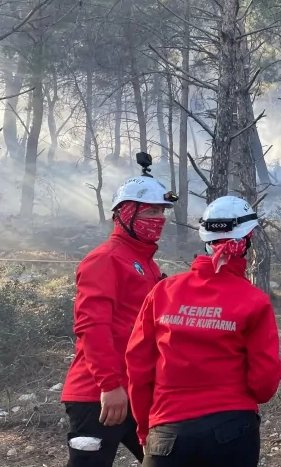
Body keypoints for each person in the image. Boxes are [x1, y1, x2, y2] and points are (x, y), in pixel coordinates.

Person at [125, 195, 281, 467]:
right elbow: (263, 385)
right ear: (248, 239)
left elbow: (138, 369)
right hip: (233, 430)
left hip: (167, 431)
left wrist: (144, 429)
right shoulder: (253, 301)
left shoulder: (163, 292)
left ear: (206, 239)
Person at [62, 170, 178, 466]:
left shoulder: (144, 262)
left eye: (162, 211)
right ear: (126, 213)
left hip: (137, 391)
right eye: (151, 211)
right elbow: (92, 326)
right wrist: (109, 385)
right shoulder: (106, 259)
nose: (159, 219)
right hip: (100, 396)